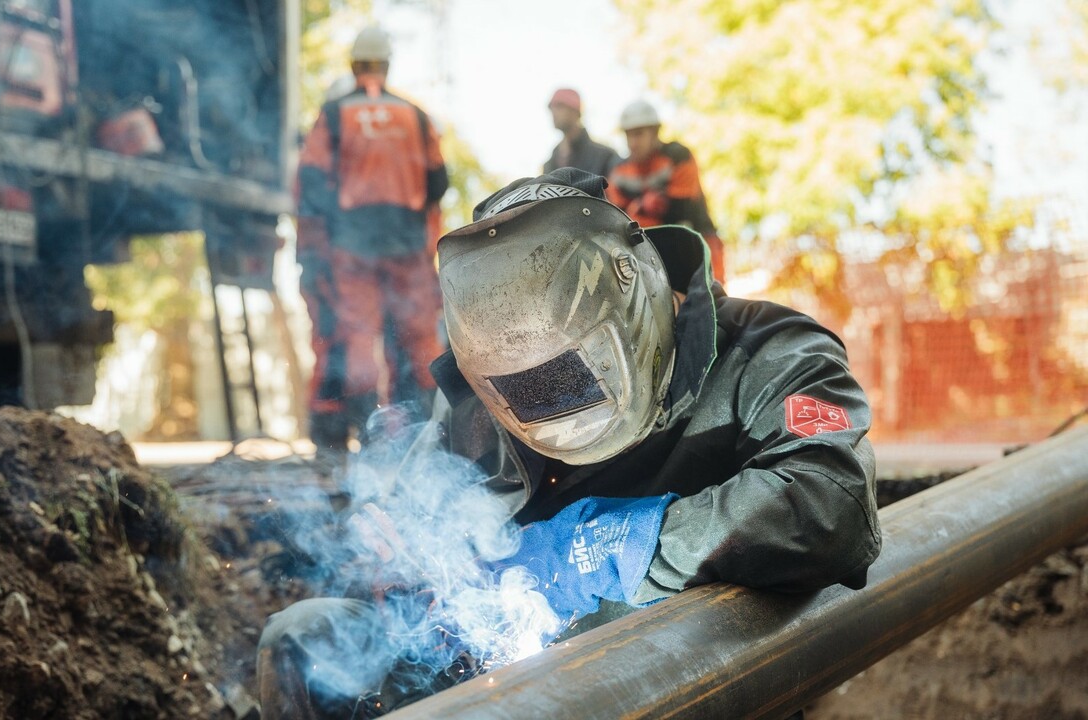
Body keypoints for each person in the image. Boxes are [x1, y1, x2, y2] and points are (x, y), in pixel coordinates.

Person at [258, 169, 881, 717]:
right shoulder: (478, 388)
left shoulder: (772, 352)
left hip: (678, 676)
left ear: (632, 290)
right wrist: (405, 565)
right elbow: (412, 521)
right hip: (510, 682)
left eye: (565, 376)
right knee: (305, 637)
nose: (548, 407)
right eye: (519, 390)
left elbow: (831, 504)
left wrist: (594, 549)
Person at [297, 25, 449, 449]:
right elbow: (438, 182)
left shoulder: (333, 114)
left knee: (359, 339)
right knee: (418, 341)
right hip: (407, 248)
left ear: (353, 64)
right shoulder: (415, 115)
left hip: (354, 249)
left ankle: (370, 440)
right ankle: (429, 441)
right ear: (386, 64)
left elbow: (310, 180)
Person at [606, 99, 726, 283]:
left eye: (638, 134)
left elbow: (681, 208)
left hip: (699, 244)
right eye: (628, 135)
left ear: (655, 132)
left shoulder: (679, 156)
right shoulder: (619, 171)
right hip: (652, 257)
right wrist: (643, 205)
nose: (632, 143)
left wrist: (638, 209)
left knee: (713, 303)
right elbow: (618, 219)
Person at [543, 88, 620, 177]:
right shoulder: (550, 163)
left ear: (575, 110)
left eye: (559, 107)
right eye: (551, 108)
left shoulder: (605, 157)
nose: (554, 113)